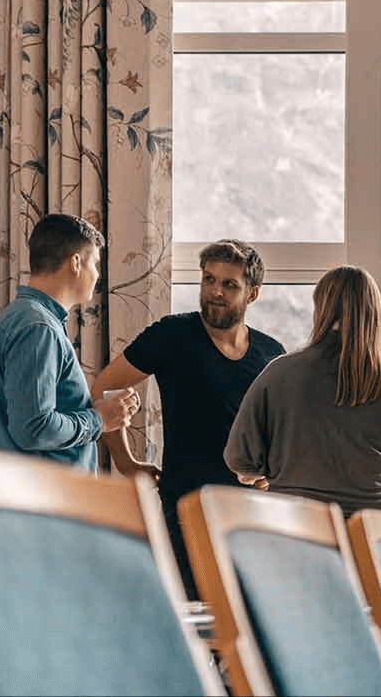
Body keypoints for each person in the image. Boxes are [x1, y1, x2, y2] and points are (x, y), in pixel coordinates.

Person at [91, 239, 285, 596]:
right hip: (185, 513)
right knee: (191, 630)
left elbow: (280, 433)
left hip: (249, 519)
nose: (215, 291)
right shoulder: (172, 335)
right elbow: (105, 388)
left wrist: (272, 474)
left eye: (229, 284)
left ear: (252, 294)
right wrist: (126, 461)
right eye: (209, 279)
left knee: (244, 634)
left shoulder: (271, 354)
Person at [224, 266, 381, 515]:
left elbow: (239, 458)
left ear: (321, 309)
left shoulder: (279, 373)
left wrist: (272, 468)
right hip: (375, 530)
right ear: (375, 314)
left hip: (298, 526)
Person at [0, 213, 136, 469]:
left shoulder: (26, 318)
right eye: (95, 264)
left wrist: (101, 412)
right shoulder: (38, 328)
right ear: (76, 262)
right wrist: (99, 420)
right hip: (42, 497)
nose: (97, 275)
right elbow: (33, 429)